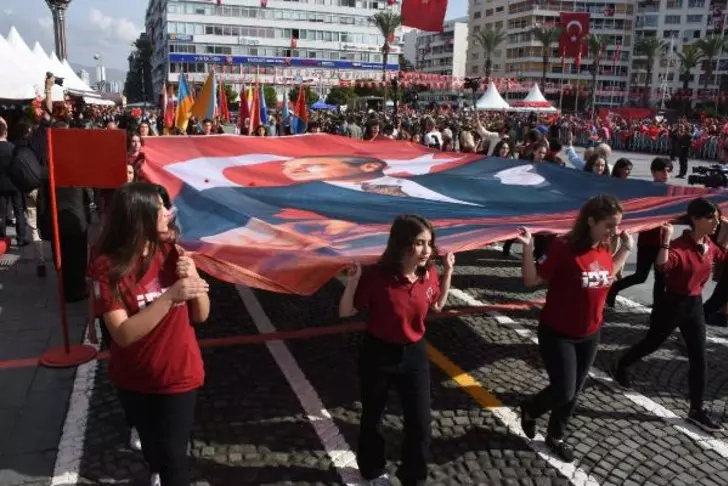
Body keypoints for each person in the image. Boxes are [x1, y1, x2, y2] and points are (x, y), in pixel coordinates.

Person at [89, 182, 210, 486]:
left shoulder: (174, 251)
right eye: (159, 209)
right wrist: (169, 297)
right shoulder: (108, 266)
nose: (167, 214)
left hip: (178, 374)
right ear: (139, 217)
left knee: (173, 458)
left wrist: (192, 276)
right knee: (154, 450)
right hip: (134, 378)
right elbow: (123, 334)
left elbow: (202, 314)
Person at [339, 214, 454, 486]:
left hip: (414, 354)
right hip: (377, 355)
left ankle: (413, 477)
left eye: (429, 243)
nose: (427, 250)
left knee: (421, 422)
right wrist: (353, 282)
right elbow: (346, 311)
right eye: (419, 243)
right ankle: (373, 471)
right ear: (402, 245)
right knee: (372, 417)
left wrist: (448, 272)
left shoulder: (430, 274)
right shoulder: (378, 276)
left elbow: (437, 306)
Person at [516, 195, 632, 462]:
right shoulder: (563, 247)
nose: (613, 232)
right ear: (591, 221)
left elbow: (607, 275)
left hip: (590, 333)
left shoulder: (605, 246)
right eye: (609, 225)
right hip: (558, 333)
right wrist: (527, 248)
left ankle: (556, 436)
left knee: (575, 391)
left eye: (617, 226)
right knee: (564, 390)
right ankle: (530, 409)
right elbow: (532, 279)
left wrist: (624, 249)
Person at [611, 198, 728, 432]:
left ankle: (696, 410)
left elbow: (723, 256)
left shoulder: (710, 246)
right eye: (711, 218)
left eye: (717, 217)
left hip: (694, 305)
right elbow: (663, 266)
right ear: (695, 219)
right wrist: (664, 241)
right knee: (652, 343)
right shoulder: (678, 246)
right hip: (672, 304)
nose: (717, 222)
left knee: (699, 357)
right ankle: (622, 365)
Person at [606, 157, 673, 308]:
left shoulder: (670, 191)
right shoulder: (646, 189)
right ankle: (613, 288)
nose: (665, 173)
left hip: (663, 240)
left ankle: (658, 309)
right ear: (653, 172)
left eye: (668, 171)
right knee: (640, 276)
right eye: (662, 170)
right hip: (648, 239)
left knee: (661, 277)